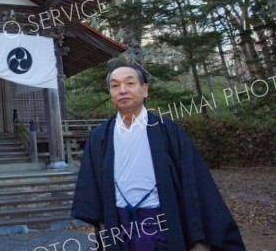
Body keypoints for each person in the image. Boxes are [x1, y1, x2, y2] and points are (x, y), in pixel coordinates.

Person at [71, 63, 245, 251]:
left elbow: (195, 186)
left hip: (164, 224)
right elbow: (93, 189)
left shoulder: (169, 131)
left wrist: (199, 240)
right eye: (115, 86)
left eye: (129, 83)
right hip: (119, 225)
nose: (122, 90)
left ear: (144, 90)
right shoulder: (100, 137)